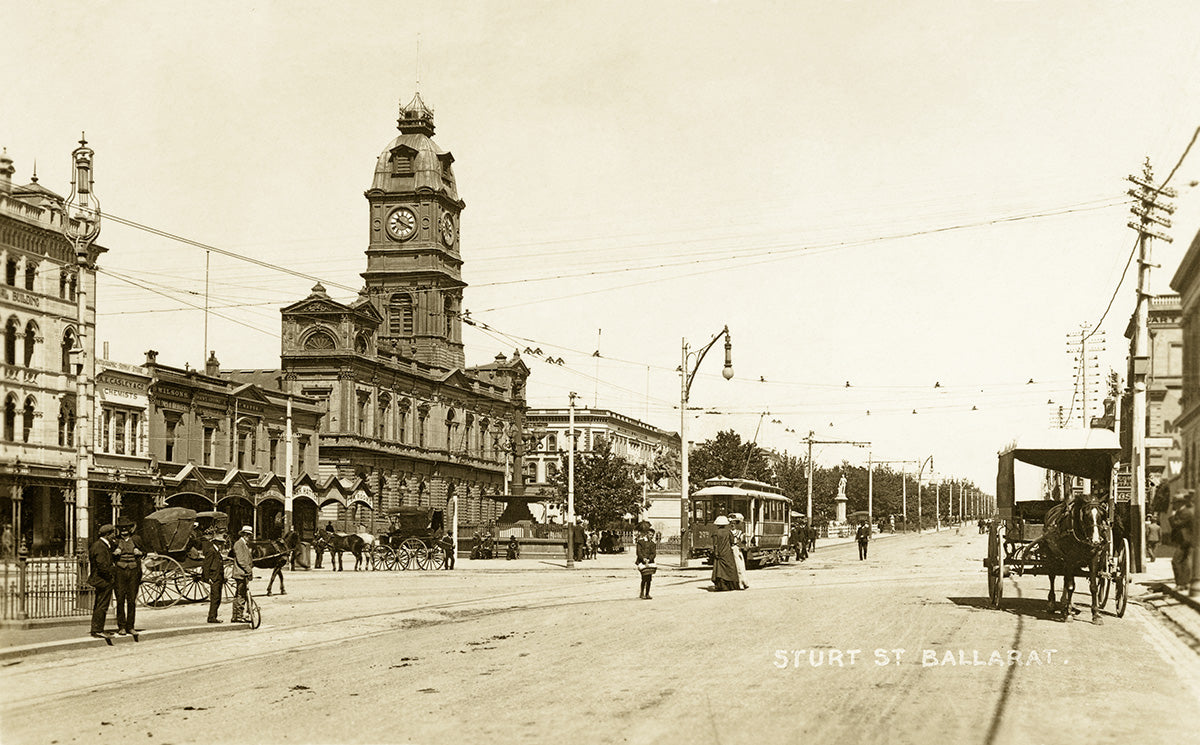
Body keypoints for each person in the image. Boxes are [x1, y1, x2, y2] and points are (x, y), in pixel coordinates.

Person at [111, 516, 147, 635]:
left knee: (131, 600)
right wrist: (114, 554)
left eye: (126, 528)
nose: (124, 530)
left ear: (130, 528)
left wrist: (140, 552)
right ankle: (121, 626)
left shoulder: (136, 539)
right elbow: (108, 556)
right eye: (121, 528)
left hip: (133, 572)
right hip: (120, 572)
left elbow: (145, 552)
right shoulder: (115, 541)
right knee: (120, 600)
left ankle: (130, 626)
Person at [88, 524, 117, 638]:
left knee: (99, 604)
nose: (114, 535)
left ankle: (96, 629)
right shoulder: (100, 547)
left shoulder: (100, 545)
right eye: (113, 533)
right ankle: (98, 630)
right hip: (103, 580)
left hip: (101, 579)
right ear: (107, 534)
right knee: (102, 605)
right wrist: (111, 577)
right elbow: (102, 566)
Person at [230, 525, 255, 623]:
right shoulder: (239, 544)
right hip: (240, 573)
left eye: (250, 535)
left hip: (243, 573)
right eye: (247, 535)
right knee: (241, 595)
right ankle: (238, 616)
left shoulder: (244, 544)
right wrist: (248, 570)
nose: (249, 537)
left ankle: (236, 616)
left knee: (239, 595)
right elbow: (241, 560)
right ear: (243, 535)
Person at [1169, 497, 1194, 592]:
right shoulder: (1181, 512)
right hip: (1184, 540)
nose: (1173, 505)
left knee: (1176, 561)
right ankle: (1185, 583)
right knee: (1184, 562)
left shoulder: (1185, 512)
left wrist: (1172, 515)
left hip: (1185, 540)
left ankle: (1180, 584)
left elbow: (1175, 524)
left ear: (1180, 503)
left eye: (1174, 503)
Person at [202, 528, 226, 623]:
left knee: (218, 598)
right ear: (216, 543)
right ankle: (211, 617)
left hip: (218, 577)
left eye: (222, 543)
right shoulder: (211, 551)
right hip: (214, 577)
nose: (221, 545)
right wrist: (207, 578)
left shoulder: (216, 551)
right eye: (220, 543)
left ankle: (213, 616)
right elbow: (206, 565)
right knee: (215, 598)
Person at [710, 516, 738, 592]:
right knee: (729, 568)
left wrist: (716, 552)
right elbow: (732, 541)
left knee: (719, 570)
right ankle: (730, 585)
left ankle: (721, 585)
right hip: (727, 552)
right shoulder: (728, 532)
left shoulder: (715, 533)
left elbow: (715, 544)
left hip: (719, 552)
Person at [635, 522, 657, 600]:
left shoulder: (653, 544)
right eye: (650, 535)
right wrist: (643, 559)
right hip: (642, 562)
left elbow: (653, 553)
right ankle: (642, 593)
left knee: (649, 579)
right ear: (647, 534)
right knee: (644, 578)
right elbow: (639, 552)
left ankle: (647, 593)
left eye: (652, 535)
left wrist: (649, 559)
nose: (651, 536)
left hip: (650, 562)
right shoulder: (640, 542)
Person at [729, 513, 748, 590]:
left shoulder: (739, 532)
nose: (732, 525)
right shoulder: (728, 532)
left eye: (734, 523)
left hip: (737, 549)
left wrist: (742, 546)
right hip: (730, 550)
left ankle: (742, 583)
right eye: (731, 523)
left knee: (740, 567)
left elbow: (743, 542)